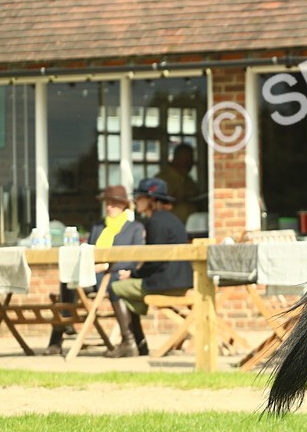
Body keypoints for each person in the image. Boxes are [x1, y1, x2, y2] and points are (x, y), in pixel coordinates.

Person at [46, 185, 146, 355]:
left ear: (124, 206)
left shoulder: (135, 228)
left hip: (115, 275)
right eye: (107, 203)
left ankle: (129, 341)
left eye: (114, 203)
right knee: (68, 279)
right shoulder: (98, 227)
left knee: (116, 286)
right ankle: (60, 333)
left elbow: (134, 258)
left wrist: (106, 266)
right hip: (93, 275)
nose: (109, 207)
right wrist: (91, 266)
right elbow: (88, 252)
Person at [108, 177, 193, 357]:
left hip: (166, 283)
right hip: (181, 280)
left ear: (152, 200)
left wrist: (134, 274)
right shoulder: (172, 219)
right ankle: (140, 344)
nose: (135, 201)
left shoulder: (156, 222)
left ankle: (129, 342)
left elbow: (154, 262)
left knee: (115, 288)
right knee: (126, 288)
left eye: (139, 197)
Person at [155, 143, 201, 226]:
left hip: (191, 225)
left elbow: (195, 194)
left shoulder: (187, 179)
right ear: (176, 159)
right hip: (168, 225)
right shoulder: (162, 179)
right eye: (186, 161)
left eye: (191, 161)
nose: (189, 164)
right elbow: (156, 204)